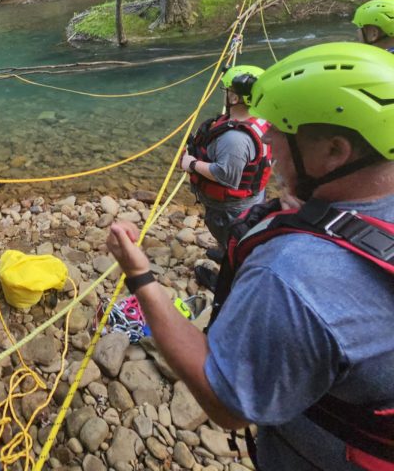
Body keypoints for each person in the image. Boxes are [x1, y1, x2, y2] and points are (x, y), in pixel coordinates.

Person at [106, 42, 394, 471]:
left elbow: (227, 404)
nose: (270, 142)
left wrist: (140, 277)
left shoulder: (290, 277)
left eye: (282, 131)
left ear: (336, 151)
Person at [180, 64, 272, 289]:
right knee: (236, 240)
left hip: (230, 209)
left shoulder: (235, 139)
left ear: (235, 97)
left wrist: (191, 164)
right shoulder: (261, 122)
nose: (226, 93)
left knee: (235, 242)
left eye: (228, 90)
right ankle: (228, 251)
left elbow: (226, 176)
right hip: (246, 201)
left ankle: (227, 281)